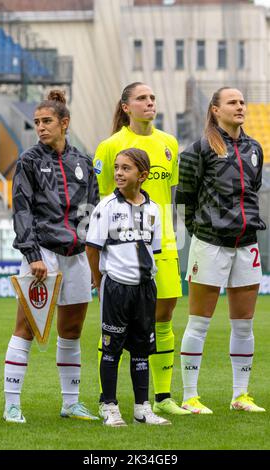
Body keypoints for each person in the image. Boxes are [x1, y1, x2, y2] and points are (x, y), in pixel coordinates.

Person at [93, 82, 190, 416]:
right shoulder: (110, 146)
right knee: (114, 325)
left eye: (152, 97)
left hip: (162, 244)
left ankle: (162, 397)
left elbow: (167, 195)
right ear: (125, 107)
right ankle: (108, 398)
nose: (150, 102)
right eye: (142, 98)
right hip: (120, 254)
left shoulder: (169, 143)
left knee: (162, 318)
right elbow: (104, 198)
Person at [4, 89, 100, 423]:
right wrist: (32, 254)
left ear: (64, 123)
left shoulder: (84, 163)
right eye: (37, 122)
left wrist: (92, 254)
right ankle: (12, 404)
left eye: (47, 121)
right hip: (42, 254)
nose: (41, 127)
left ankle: (70, 403)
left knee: (71, 330)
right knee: (26, 327)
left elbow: (92, 213)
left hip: (76, 256)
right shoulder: (28, 161)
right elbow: (22, 211)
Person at [176, 87, 266, 414]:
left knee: (244, 324)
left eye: (242, 102)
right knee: (199, 322)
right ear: (215, 110)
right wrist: (200, 231)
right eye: (233, 102)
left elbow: (251, 193)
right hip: (210, 244)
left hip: (247, 244)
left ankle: (240, 396)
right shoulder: (199, 149)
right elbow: (185, 198)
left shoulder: (255, 148)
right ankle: (189, 396)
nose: (240, 106)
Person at [86, 147, 171, 426]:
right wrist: (100, 285)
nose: (119, 173)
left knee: (141, 350)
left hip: (145, 288)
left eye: (126, 169)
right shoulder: (106, 207)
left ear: (142, 175)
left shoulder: (154, 210)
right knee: (111, 348)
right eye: (117, 168)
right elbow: (92, 248)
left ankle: (142, 407)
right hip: (116, 288)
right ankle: (108, 405)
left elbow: (152, 250)